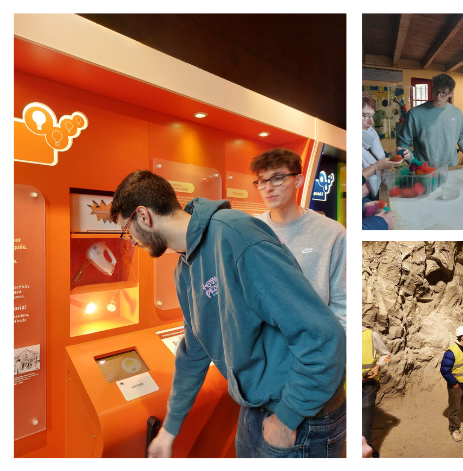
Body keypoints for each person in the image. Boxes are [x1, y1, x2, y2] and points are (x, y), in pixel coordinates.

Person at [110, 170, 346, 458]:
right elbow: (194, 351)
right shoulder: (184, 270)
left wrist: (287, 418)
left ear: (143, 216)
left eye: (126, 231)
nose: (131, 242)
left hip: (301, 415)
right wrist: (170, 429)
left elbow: (321, 335)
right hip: (254, 408)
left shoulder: (236, 234)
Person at [251, 148, 347, 329]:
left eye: (277, 178)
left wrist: (339, 350)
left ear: (298, 180)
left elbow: (344, 302)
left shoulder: (332, 233)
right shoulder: (251, 229)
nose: (268, 188)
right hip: (266, 346)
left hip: (316, 342)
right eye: (262, 181)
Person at [395, 73, 463, 167]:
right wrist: (414, 163)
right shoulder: (415, 113)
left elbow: (460, 136)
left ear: (451, 94)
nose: (438, 96)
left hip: (451, 168)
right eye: (435, 91)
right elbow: (403, 142)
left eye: (443, 93)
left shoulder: (457, 113)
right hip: (424, 171)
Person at [362, 93, 404, 198]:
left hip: (377, 191)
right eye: (365, 115)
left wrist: (393, 156)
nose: (371, 121)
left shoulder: (371, 134)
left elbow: (378, 158)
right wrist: (376, 166)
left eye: (372, 116)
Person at [362, 326, 391, 457]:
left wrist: (378, 365)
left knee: (365, 421)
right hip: (345, 386)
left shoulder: (370, 334)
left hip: (367, 385)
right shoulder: (340, 332)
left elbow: (386, 355)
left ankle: (366, 450)